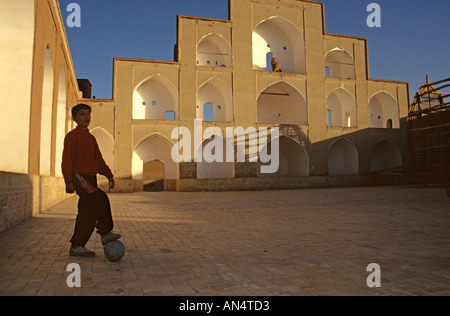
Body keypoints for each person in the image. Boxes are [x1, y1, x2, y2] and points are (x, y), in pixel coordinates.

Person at [62, 103, 121, 257]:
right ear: (74, 118)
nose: (86, 117)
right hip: (79, 176)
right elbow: (66, 159)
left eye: (88, 113)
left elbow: (98, 160)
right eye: (82, 114)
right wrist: (68, 180)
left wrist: (109, 174)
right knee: (100, 197)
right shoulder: (72, 136)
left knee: (87, 213)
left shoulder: (91, 138)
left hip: (90, 177)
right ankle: (106, 232)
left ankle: (77, 246)